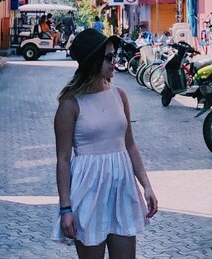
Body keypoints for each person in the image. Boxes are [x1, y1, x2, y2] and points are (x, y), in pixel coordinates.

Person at [52, 29, 158, 257]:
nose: (115, 62)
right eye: (109, 57)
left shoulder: (119, 95)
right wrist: (65, 208)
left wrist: (146, 185)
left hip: (122, 188)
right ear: (92, 61)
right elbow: (62, 159)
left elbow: (130, 145)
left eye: (115, 55)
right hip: (88, 190)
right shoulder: (69, 104)